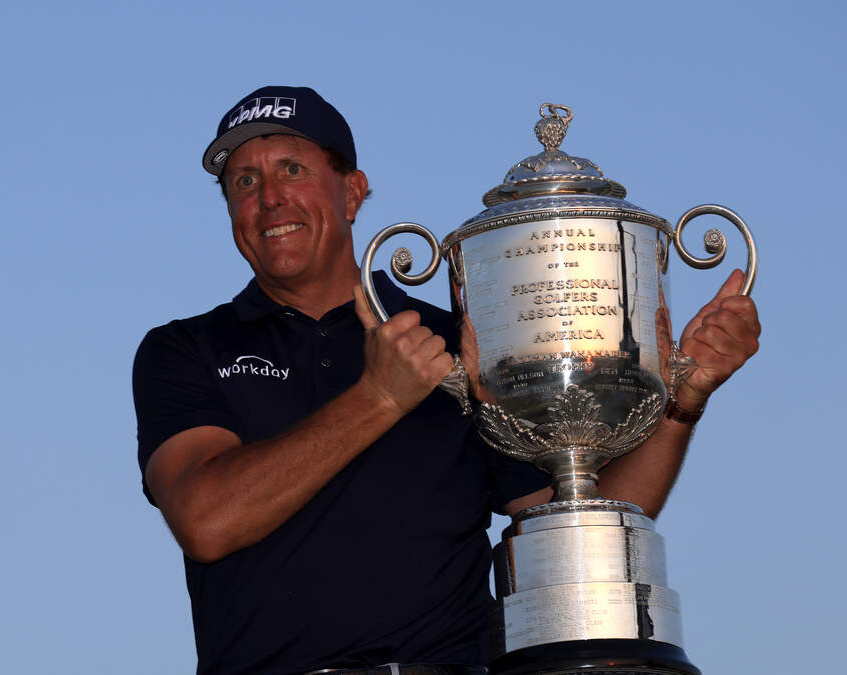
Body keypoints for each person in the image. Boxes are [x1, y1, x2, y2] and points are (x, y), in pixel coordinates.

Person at [132, 85, 760, 675]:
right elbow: (206, 520)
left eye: (292, 170)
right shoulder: (185, 349)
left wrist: (682, 402)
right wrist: (380, 397)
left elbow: (574, 519)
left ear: (352, 192)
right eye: (244, 181)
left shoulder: (462, 342)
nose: (269, 197)